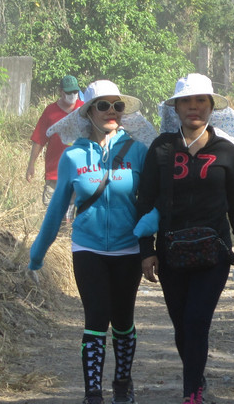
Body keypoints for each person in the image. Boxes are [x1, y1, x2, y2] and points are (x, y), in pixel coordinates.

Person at [137, 73, 234, 404]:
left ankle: (191, 393)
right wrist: (146, 251)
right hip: (170, 253)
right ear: (175, 108)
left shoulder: (228, 152)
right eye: (187, 101)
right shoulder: (161, 148)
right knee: (181, 325)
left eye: (201, 100)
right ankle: (197, 376)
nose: (194, 107)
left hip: (214, 254)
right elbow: (144, 201)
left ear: (211, 106)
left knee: (196, 321)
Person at [27, 80, 148, 404]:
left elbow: (152, 202)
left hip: (128, 248)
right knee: (96, 317)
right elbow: (56, 210)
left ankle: (122, 384)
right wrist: (36, 255)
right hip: (87, 248)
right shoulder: (73, 156)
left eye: (117, 106)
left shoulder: (138, 152)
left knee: (123, 320)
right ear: (88, 112)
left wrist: (154, 245)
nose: (111, 112)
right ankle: (92, 393)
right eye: (103, 106)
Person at [26, 75, 84, 219]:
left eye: (75, 92)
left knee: (72, 214)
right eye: (69, 92)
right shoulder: (50, 112)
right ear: (60, 91)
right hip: (55, 173)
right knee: (53, 214)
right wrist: (31, 165)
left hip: (79, 172)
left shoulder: (84, 109)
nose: (72, 95)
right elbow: (39, 139)